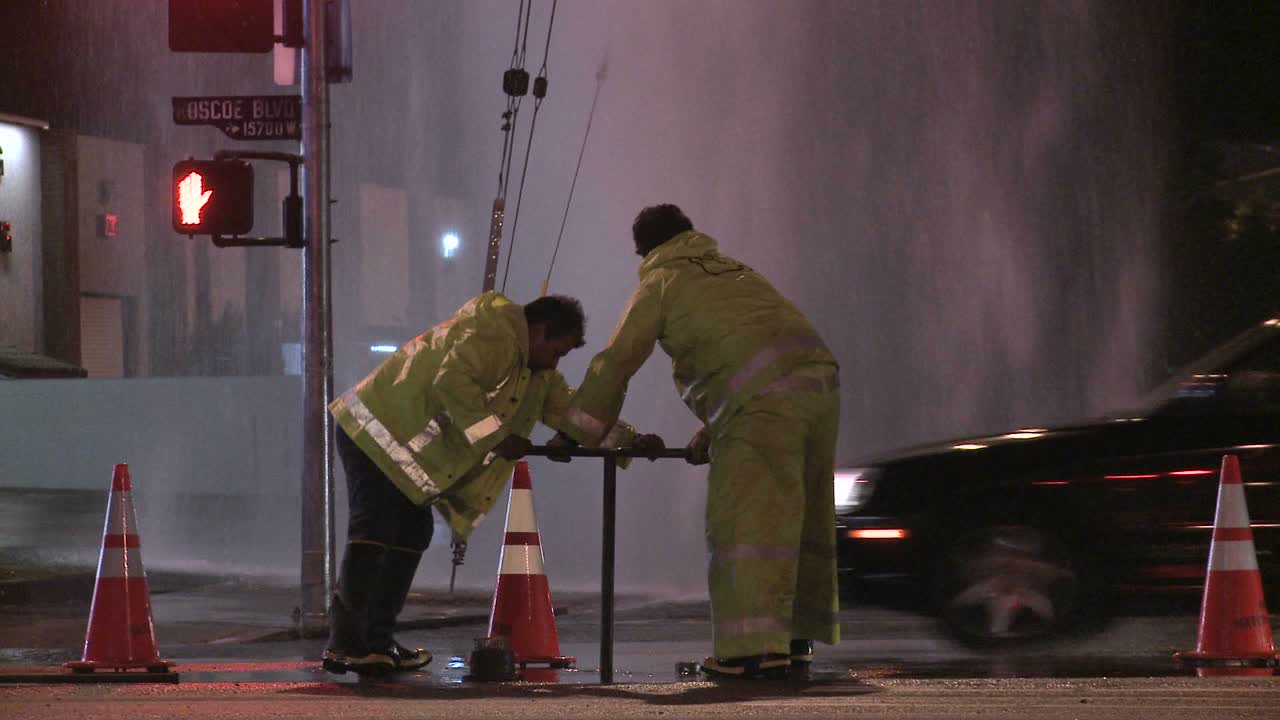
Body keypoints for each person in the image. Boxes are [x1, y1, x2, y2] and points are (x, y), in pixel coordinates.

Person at [555, 204, 841, 679]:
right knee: (802, 517)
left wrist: (575, 431)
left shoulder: (662, 281)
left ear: (646, 250)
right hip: (820, 389)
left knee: (747, 524)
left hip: (761, 404)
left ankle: (751, 651)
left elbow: (617, 362)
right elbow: (757, 355)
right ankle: (794, 638)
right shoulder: (738, 273)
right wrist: (716, 428)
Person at [325, 291, 657, 675]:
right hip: (374, 431)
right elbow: (453, 382)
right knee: (375, 528)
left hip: (392, 443)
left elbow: (572, 413)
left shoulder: (534, 373)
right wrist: (498, 438)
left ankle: (376, 643)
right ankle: (347, 644)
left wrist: (630, 441)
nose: (556, 362)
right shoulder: (493, 334)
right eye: (557, 351)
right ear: (539, 331)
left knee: (411, 531)